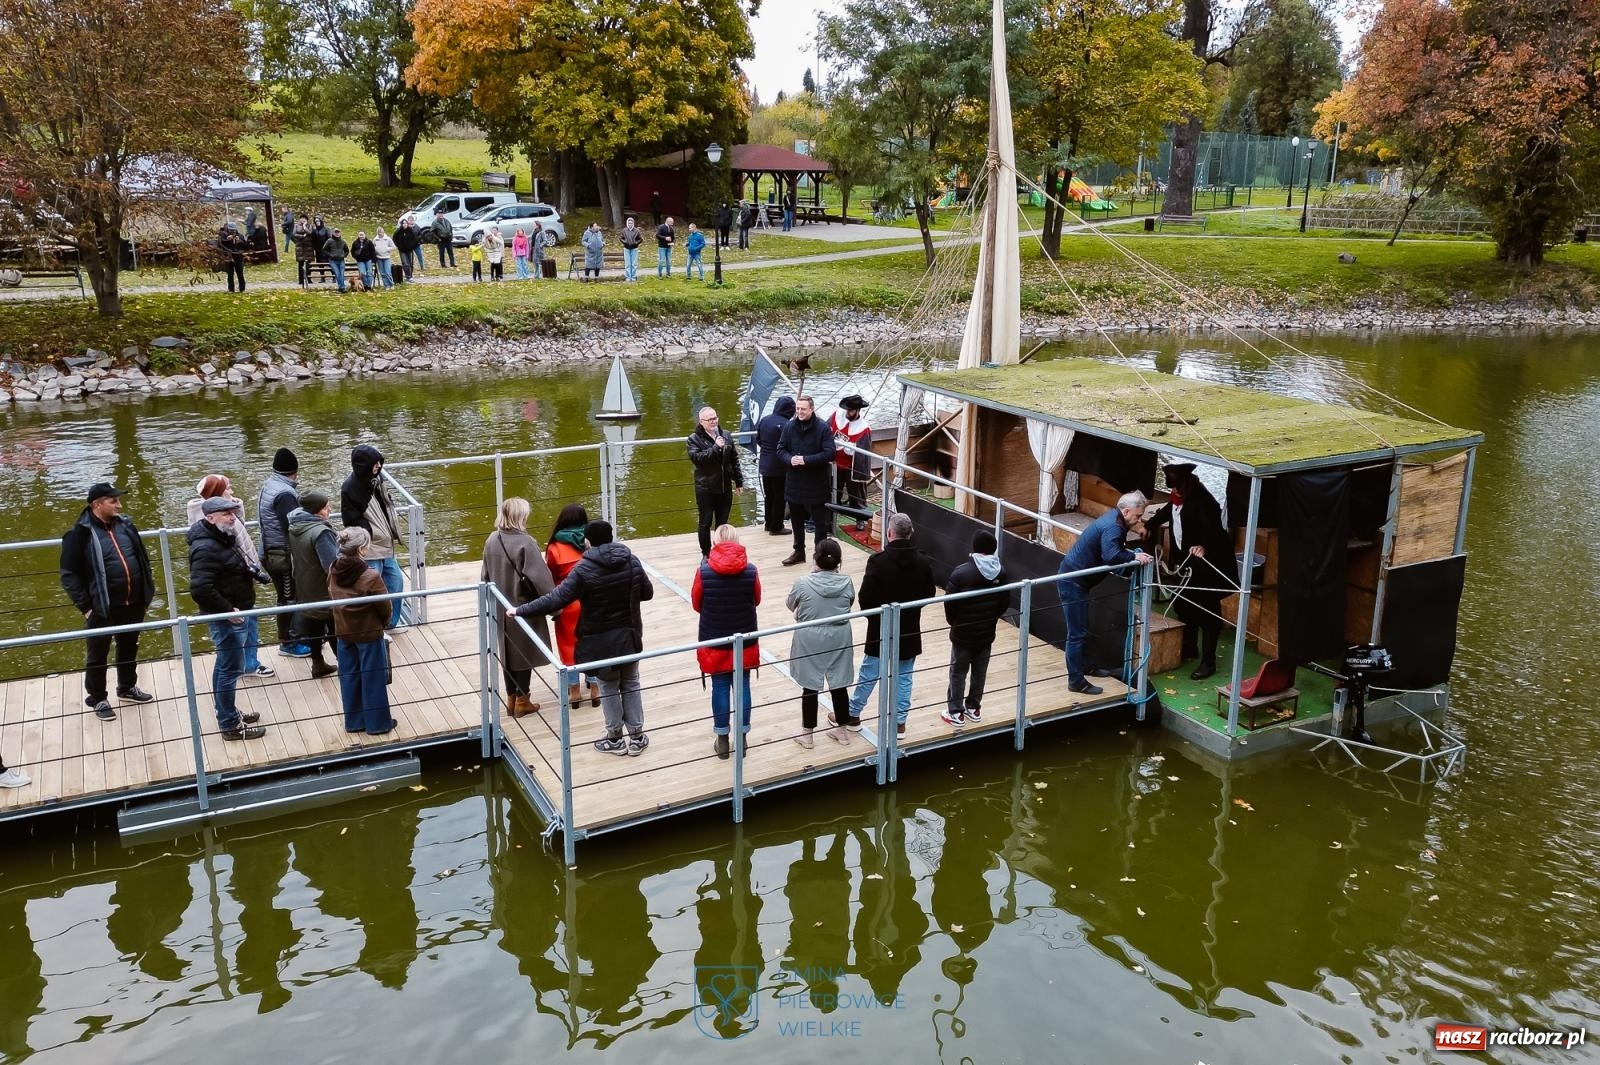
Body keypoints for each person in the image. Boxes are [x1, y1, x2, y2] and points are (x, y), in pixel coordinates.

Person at [514, 520, 654, 757]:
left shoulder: (584, 569)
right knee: (631, 682)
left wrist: (521, 610)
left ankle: (615, 739)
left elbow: (556, 599)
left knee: (609, 685)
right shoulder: (631, 560)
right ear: (611, 537)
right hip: (629, 635)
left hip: (599, 640)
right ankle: (638, 737)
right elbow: (647, 593)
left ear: (588, 541)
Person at [60, 482, 155, 722]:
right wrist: (86, 608)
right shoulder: (78, 535)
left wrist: (146, 592)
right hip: (102, 606)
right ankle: (97, 698)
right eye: (113, 501)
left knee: (129, 646)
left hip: (132, 602)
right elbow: (69, 575)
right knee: (97, 654)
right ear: (97, 504)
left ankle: (126, 687)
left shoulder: (126, 525)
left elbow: (142, 558)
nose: (119, 505)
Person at [187, 497, 270, 741]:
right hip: (227, 618)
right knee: (229, 669)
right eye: (226, 514)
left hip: (234, 612)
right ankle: (230, 725)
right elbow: (200, 588)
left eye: (232, 513)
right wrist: (228, 610)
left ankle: (228, 712)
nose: (232, 517)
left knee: (225, 665)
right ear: (209, 518)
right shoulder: (206, 547)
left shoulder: (221, 538)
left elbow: (226, 570)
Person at [1143, 463, 1234, 680]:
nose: (1174, 492)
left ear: (1187, 483)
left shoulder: (1204, 502)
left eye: (1177, 488)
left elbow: (1215, 531)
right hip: (1185, 565)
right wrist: (1150, 525)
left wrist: (1204, 546)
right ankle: (1189, 647)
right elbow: (1168, 511)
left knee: (1208, 613)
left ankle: (1208, 661)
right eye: (1172, 489)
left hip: (1206, 567)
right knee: (1183, 605)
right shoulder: (1177, 499)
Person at [1056, 491, 1153, 695]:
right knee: (1076, 634)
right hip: (1072, 582)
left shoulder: (1115, 519)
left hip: (1077, 580)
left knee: (1082, 629)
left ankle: (1087, 667)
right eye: (1138, 515)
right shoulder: (1113, 526)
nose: (1139, 520)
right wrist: (1135, 557)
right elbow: (1111, 555)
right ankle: (1076, 681)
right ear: (1126, 511)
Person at [848, 513, 935, 736]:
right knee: (904, 677)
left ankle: (853, 714)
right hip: (909, 628)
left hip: (880, 627)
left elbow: (866, 598)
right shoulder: (924, 561)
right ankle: (899, 723)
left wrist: (875, 618)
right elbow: (929, 594)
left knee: (869, 673)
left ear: (889, 533)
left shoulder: (877, 561)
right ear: (911, 534)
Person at [187, 475, 272, 680]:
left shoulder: (222, 519)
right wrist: (226, 609)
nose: (232, 492)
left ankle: (248, 664)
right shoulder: (211, 533)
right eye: (228, 488)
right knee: (228, 661)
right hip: (230, 595)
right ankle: (228, 704)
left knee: (249, 626)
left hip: (240, 585)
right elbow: (201, 585)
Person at [482, 497, 556, 716]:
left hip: (500, 605)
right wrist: (556, 606)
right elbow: (541, 579)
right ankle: (523, 700)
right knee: (524, 653)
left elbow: (485, 575)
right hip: (523, 605)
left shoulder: (492, 539)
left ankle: (511, 699)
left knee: (507, 653)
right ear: (521, 516)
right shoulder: (526, 543)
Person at [692, 525, 761, 759]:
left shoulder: (703, 571)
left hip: (714, 638)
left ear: (715, 544)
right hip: (745, 640)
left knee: (719, 687)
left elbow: (696, 603)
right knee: (742, 686)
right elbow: (757, 599)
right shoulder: (751, 570)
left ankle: (722, 740)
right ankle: (741, 739)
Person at [786, 537, 856, 748]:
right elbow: (850, 601)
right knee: (839, 683)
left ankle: (807, 734)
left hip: (810, 637)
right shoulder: (847, 581)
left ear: (816, 558)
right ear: (838, 561)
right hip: (839, 635)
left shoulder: (802, 582)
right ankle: (842, 731)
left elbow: (790, 604)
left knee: (810, 684)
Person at [327, 527, 395, 735]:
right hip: (368, 632)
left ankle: (354, 722)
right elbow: (385, 607)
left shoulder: (333, 568)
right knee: (372, 677)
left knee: (348, 676)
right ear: (362, 549)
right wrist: (382, 624)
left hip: (344, 632)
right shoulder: (370, 576)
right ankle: (378, 724)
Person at [941, 530, 1008, 728]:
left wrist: (955, 623)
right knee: (980, 671)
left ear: (975, 548)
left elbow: (949, 604)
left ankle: (956, 712)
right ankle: (974, 708)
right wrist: (990, 619)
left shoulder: (960, 572)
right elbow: (1004, 604)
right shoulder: (1002, 572)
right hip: (987, 632)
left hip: (963, 633)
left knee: (958, 671)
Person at [340, 444, 407, 631]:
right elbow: (349, 519)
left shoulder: (377, 481)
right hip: (371, 548)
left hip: (385, 547)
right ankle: (375, 627)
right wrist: (370, 533)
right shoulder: (350, 488)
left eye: (379, 462)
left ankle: (390, 624)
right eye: (374, 463)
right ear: (364, 465)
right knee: (372, 590)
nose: (378, 466)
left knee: (395, 583)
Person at [545, 504, 601, 710]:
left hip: (567, 602)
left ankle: (574, 692)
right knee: (592, 643)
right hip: (591, 600)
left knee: (568, 645)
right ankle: (595, 689)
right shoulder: (591, 541)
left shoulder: (555, 547)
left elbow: (549, 577)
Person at [257, 448, 310, 657]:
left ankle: (298, 637)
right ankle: (289, 643)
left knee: (288, 596)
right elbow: (293, 526)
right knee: (289, 598)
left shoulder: (270, 484)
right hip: (282, 556)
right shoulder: (285, 494)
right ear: (295, 472)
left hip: (269, 550)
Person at [286, 491, 341, 680]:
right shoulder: (321, 532)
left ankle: (318, 663)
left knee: (314, 624)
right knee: (335, 626)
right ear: (317, 511)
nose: (330, 509)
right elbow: (331, 566)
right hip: (324, 588)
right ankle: (347, 665)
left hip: (304, 584)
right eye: (326, 507)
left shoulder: (295, 526)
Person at [777, 395, 836, 565]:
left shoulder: (823, 428)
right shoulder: (789, 426)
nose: (800, 412)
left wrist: (806, 460)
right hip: (794, 482)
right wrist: (789, 459)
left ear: (811, 409)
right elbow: (780, 449)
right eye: (797, 409)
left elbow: (830, 453)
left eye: (803, 409)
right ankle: (798, 552)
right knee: (796, 519)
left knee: (819, 522)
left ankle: (820, 555)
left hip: (816, 482)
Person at [687, 406, 745, 559]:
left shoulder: (725, 434)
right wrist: (715, 448)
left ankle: (721, 552)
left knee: (722, 524)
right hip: (705, 489)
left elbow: (734, 460)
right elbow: (698, 459)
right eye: (710, 419)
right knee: (705, 523)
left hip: (724, 487)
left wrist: (738, 481)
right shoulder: (694, 439)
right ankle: (706, 554)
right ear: (701, 422)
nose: (713, 421)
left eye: (715, 418)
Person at [829, 395, 872, 524]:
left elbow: (863, 453)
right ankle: (831, 518)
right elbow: (825, 431)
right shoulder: (836, 416)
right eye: (847, 410)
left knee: (856, 495)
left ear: (858, 410)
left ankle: (860, 519)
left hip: (852, 466)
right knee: (833, 492)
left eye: (851, 410)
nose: (848, 413)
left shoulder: (864, 428)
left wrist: (851, 448)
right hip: (835, 463)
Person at [757, 395, 796, 535]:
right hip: (780, 466)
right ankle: (776, 526)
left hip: (765, 464)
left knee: (769, 496)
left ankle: (768, 523)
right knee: (780, 497)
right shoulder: (788, 424)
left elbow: (758, 439)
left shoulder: (765, 420)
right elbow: (791, 445)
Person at [217, 224, 247, 293]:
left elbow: (245, 246)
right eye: (230, 230)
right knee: (230, 274)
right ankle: (231, 289)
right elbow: (220, 244)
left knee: (240, 273)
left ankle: (242, 289)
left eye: (233, 230)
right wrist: (227, 240)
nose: (232, 232)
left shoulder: (240, 236)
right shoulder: (224, 235)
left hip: (238, 257)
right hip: (229, 257)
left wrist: (239, 241)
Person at [322, 227, 349, 292]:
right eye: (335, 232)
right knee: (337, 273)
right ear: (333, 233)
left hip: (341, 260)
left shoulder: (343, 241)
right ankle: (342, 287)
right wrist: (330, 255)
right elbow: (324, 249)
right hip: (333, 260)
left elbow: (347, 250)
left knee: (341, 273)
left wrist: (343, 256)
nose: (337, 234)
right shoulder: (329, 241)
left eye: (338, 232)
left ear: (340, 233)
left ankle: (341, 287)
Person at [618, 216, 643, 281]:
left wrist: (636, 243)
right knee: (627, 264)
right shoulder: (624, 230)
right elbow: (620, 238)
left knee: (634, 264)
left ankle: (633, 276)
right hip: (626, 248)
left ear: (633, 223)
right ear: (627, 223)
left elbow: (641, 239)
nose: (630, 224)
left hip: (634, 249)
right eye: (629, 223)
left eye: (631, 223)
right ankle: (628, 277)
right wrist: (625, 242)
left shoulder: (637, 231)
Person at [292, 217, 315, 286]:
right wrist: (302, 236)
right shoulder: (296, 226)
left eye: (304, 218)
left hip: (308, 247)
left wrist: (305, 227)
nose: (303, 220)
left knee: (308, 264)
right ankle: (301, 279)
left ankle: (308, 278)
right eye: (301, 218)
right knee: (300, 264)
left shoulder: (310, 226)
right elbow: (294, 234)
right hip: (300, 247)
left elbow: (310, 233)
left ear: (307, 220)